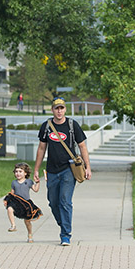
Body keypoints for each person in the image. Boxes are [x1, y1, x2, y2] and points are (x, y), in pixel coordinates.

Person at [34, 97, 92, 246]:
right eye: (56, 108)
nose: (59, 111)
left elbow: (82, 147)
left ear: (65, 109)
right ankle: (63, 223)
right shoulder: (46, 126)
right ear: (52, 110)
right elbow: (41, 148)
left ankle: (65, 234)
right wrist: (36, 169)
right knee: (53, 202)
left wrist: (88, 167)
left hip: (69, 170)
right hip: (52, 171)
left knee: (64, 201)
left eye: (61, 108)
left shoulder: (73, 125)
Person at [3, 162, 43, 243]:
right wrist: (7, 200)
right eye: (16, 171)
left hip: (26, 204)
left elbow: (35, 189)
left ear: (25, 173)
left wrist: (38, 182)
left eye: (20, 171)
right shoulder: (14, 183)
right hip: (16, 202)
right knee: (10, 209)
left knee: (27, 221)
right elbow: (12, 193)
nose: (18, 173)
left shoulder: (28, 182)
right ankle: (13, 225)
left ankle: (30, 234)